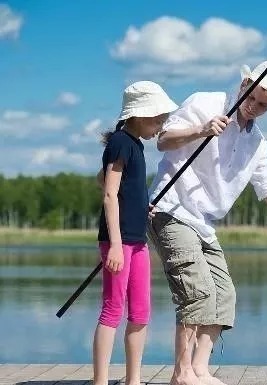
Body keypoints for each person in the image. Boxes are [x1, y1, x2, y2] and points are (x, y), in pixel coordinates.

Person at [146, 60, 267, 385]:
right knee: (196, 294)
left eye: (264, 105)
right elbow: (163, 140)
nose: (254, 107)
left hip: (204, 222)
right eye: (252, 97)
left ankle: (199, 369)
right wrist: (201, 129)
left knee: (223, 295)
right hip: (171, 209)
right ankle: (181, 375)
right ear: (244, 85)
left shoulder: (257, 144)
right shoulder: (205, 103)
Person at [93, 81, 178, 385]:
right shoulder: (120, 142)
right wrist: (115, 245)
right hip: (119, 243)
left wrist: (141, 206)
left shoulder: (136, 146)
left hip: (137, 240)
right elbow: (108, 193)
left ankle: (134, 379)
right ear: (140, 115)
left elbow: (103, 181)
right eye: (158, 120)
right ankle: (100, 381)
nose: (160, 127)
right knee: (113, 309)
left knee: (141, 311)